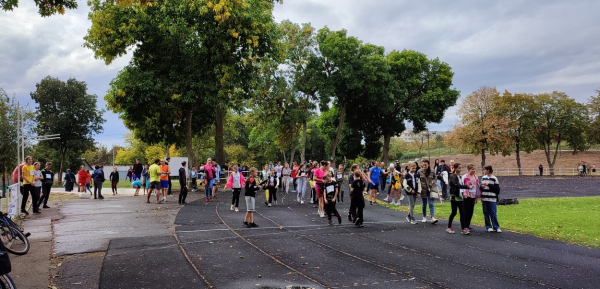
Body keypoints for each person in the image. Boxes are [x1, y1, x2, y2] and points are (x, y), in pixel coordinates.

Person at [447, 163, 472, 234]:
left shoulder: (460, 177)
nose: (460, 169)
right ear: (455, 168)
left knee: (463, 213)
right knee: (454, 212)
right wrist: (467, 187)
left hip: (460, 197)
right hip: (454, 197)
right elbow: (457, 185)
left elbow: (460, 187)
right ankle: (449, 227)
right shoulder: (453, 176)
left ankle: (463, 228)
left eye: (460, 168)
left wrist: (463, 192)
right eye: (458, 168)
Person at [481, 165, 501, 233]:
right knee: (486, 212)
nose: (484, 171)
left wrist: (489, 185)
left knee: (493, 212)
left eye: (485, 170)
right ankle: (488, 226)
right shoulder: (483, 178)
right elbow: (480, 187)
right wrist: (482, 186)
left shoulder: (494, 178)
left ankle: (496, 226)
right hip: (484, 198)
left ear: (488, 170)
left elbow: (497, 190)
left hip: (492, 199)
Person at [461, 164, 481, 234]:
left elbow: (477, 186)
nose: (474, 170)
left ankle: (468, 224)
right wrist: (464, 192)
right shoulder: (465, 176)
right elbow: (462, 185)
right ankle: (465, 226)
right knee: (466, 210)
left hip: (473, 195)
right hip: (467, 195)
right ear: (468, 169)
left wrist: (476, 197)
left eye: (474, 169)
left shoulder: (476, 177)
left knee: (471, 211)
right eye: (472, 169)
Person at [418, 160, 438, 224]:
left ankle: (432, 217)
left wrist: (432, 182)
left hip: (431, 189)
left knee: (431, 203)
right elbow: (418, 180)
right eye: (423, 165)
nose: (424, 166)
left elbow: (435, 178)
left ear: (428, 165)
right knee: (424, 204)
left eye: (425, 165)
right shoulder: (419, 171)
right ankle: (424, 217)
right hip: (423, 190)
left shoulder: (432, 171)